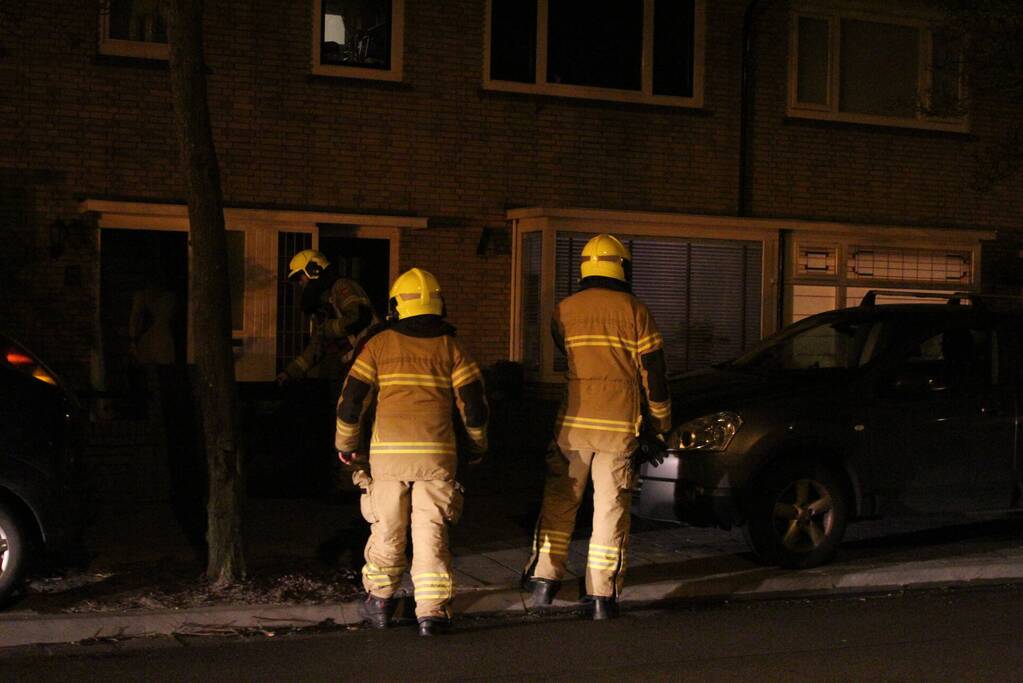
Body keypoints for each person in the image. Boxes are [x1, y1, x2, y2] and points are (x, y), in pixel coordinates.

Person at [522, 234, 672, 620]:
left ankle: (543, 581)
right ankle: (602, 596)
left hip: (571, 426)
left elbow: (566, 351)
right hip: (618, 427)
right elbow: (653, 372)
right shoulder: (637, 311)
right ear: (622, 267)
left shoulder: (564, 310)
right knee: (610, 509)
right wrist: (660, 422)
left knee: (560, 502)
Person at [335, 268, 488, 636]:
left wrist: (346, 445)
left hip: (388, 460)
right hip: (437, 458)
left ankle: (381, 603)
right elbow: (474, 406)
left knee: (387, 530)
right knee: (430, 533)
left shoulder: (379, 345)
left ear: (396, 307)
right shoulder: (453, 347)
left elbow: (351, 401)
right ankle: (431, 613)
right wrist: (477, 447)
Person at [277, 249, 380, 393]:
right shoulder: (322, 303)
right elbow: (315, 348)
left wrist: (328, 328)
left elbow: (358, 317)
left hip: (371, 360)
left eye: (300, 277)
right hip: (351, 366)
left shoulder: (342, 287)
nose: (300, 283)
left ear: (313, 269)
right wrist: (289, 373)